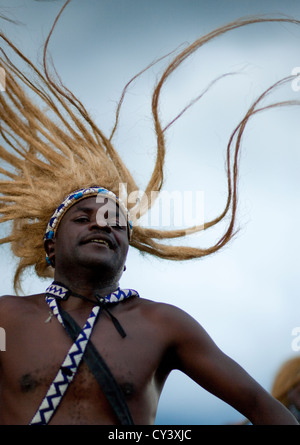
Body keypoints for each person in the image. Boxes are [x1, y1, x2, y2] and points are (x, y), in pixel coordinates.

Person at [0, 1, 299, 425]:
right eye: (83, 218)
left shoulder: (163, 324)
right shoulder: (7, 318)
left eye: (115, 221)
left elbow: (257, 404)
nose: (101, 224)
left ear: (127, 250)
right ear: (50, 243)